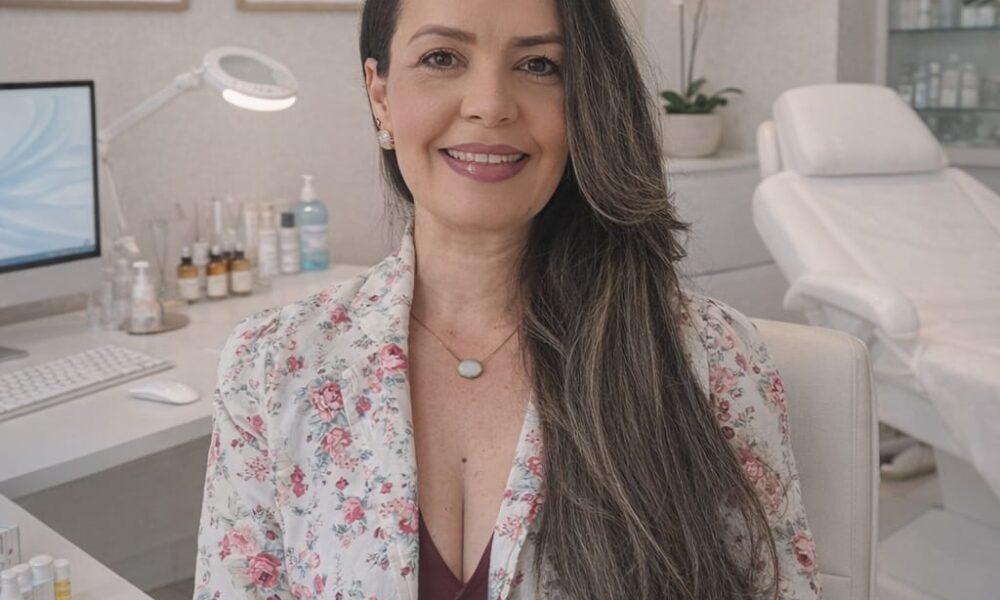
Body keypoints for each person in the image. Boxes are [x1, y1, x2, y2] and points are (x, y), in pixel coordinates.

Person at [193, 0, 823, 598]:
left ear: (584, 102)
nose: (491, 105)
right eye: (442, 58)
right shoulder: (271, 364)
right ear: (380, 95)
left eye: (538, 65)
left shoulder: (709, 356)